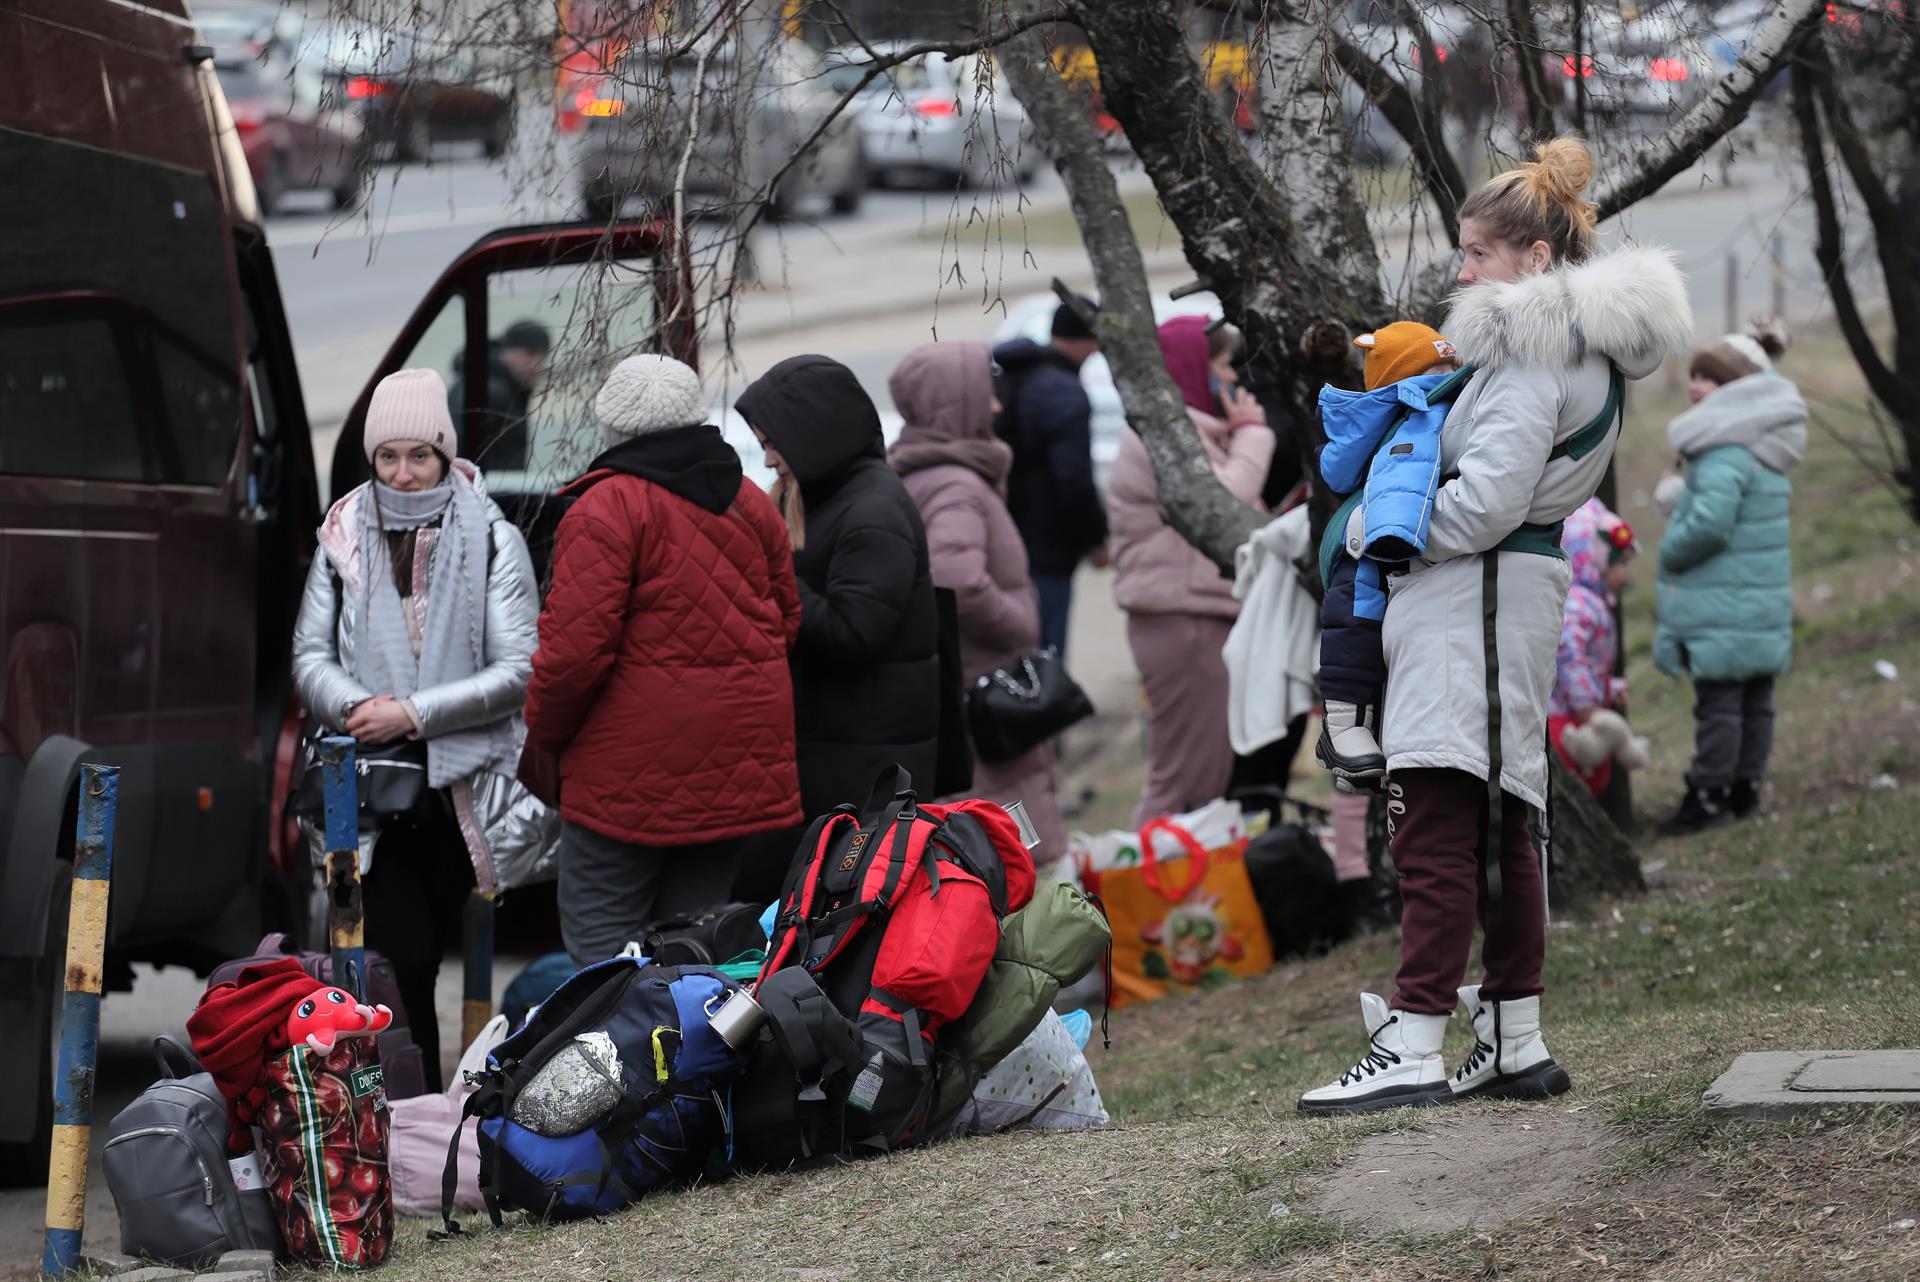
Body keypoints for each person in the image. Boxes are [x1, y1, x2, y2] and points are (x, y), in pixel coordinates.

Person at [1297, 138, 1692, 1114]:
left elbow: (1480, 507)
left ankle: (1416, 1037)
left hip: (1469, 599)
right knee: (1510, 813)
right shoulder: (1580, 350)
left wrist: (1380, 528)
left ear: (1537, 258)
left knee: (1432, 813)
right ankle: (1515, 1036)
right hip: (1500, 598)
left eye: (1477, 254)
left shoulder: (1529, 348)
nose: (1461, 272)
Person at [291, 367, 542, 1091]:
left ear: (445, 454)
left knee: (436, 950)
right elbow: (309, 654)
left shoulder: (491, 539)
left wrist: (413, 713)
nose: (403, 474)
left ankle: (436, 1118)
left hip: (459, 787)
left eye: (420, 455)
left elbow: (519, 667)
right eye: (388, 457)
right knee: (399, 957)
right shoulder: (341, 540)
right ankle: (410, 1112)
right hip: (369, 784)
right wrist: (356, 709)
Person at [519, 355, 804, 966]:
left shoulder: (606, 508)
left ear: (614, 429)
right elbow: (786, 621)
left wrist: (544, 738)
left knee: (603, 955)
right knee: (699, 946)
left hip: (625, 779)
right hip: (736, 766)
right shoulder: (752, 503)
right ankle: (689, 1060)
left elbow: (572, 657)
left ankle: (613, 1061)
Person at [735, 355, 941, 817]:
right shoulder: (830, 496)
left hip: (865, 765)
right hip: (840, 748)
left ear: (815, 433)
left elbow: (854, 632)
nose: (768, 460)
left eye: (776, 445)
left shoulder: (872, 511)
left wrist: (770, 573)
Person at [888, 341, 1069, 856]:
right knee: (1015, 850)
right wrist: (1019, 623)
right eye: (985, 395)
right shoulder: (955, 484)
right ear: (955, 404)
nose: (995, 407)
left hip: (969, 686)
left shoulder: (927, 474)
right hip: (989, 689)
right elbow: (956, 578)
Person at [1108, 316, 1275, 825]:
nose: (1232, 378)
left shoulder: (1182, 434)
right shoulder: (1160, 441)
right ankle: (1145, 892)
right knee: (1183, 780)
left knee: (1200, 775)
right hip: (1183, 622)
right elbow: (1223, 499)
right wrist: (1252, 433)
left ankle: (1173, 886)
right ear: (1188, 370)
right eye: (1221, 365)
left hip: (1193, 616)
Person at [1652, 325, 1804, 836]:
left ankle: (1709, 796)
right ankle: (1744, 790)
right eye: (1693, 376)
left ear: (1738, 390)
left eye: (1708, 380)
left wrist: (1671, 549)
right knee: (1755, 702)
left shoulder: (1725, 450)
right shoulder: (1764, 449)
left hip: (1725, 602)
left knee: (1719, 706)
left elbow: (1712, 524)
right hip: (1758, 598)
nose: (1695, 387)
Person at [1312, 321, 1463, 787]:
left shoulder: (1428, 402)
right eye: (1436, 368)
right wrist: (1393, 534)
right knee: (1356, 613)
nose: (1448, 376)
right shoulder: (1422, 408)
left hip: (1373, 532)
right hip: (1374, 540)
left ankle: (1362, 725)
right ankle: (1343, 725)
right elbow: (1406, 469)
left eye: (1449, 367)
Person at [992, 299, 1110, 656]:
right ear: (1087, 337)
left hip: (1011, 530)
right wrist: (1096, 538)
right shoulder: (1062, 391)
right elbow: (1073, 478)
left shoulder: (1022, 376)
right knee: (1047, 648)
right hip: (1047, 541)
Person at [1550, 499, 1649, 796]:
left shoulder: (1591, 602)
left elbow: (1591, 663)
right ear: (1593, 562)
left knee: (1593, 776)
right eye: (1619, 563)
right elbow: (1569, 658)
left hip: (1578, 711)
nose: (1624, 573)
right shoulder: (1578, 604)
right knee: (1582, 774)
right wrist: (1587, 707)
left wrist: (1609, 689)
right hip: (1565, 714)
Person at [449, 319, 550, 471]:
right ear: (508, 351)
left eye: (542, 357)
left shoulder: (493, 384)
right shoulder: (491, 393)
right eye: (531, 354)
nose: (537, 365)